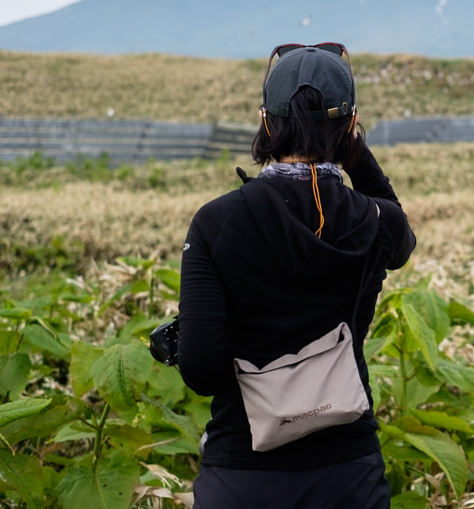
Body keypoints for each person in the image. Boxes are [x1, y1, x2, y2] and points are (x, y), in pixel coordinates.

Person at [178, 43, 417, 509]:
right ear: (351, 126)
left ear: (266, 121)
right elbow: (402, 240)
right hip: (347, 475)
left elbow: (202, 370)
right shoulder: (375, 221)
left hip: (241, 474)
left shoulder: (215, 222)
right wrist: (355, 155)